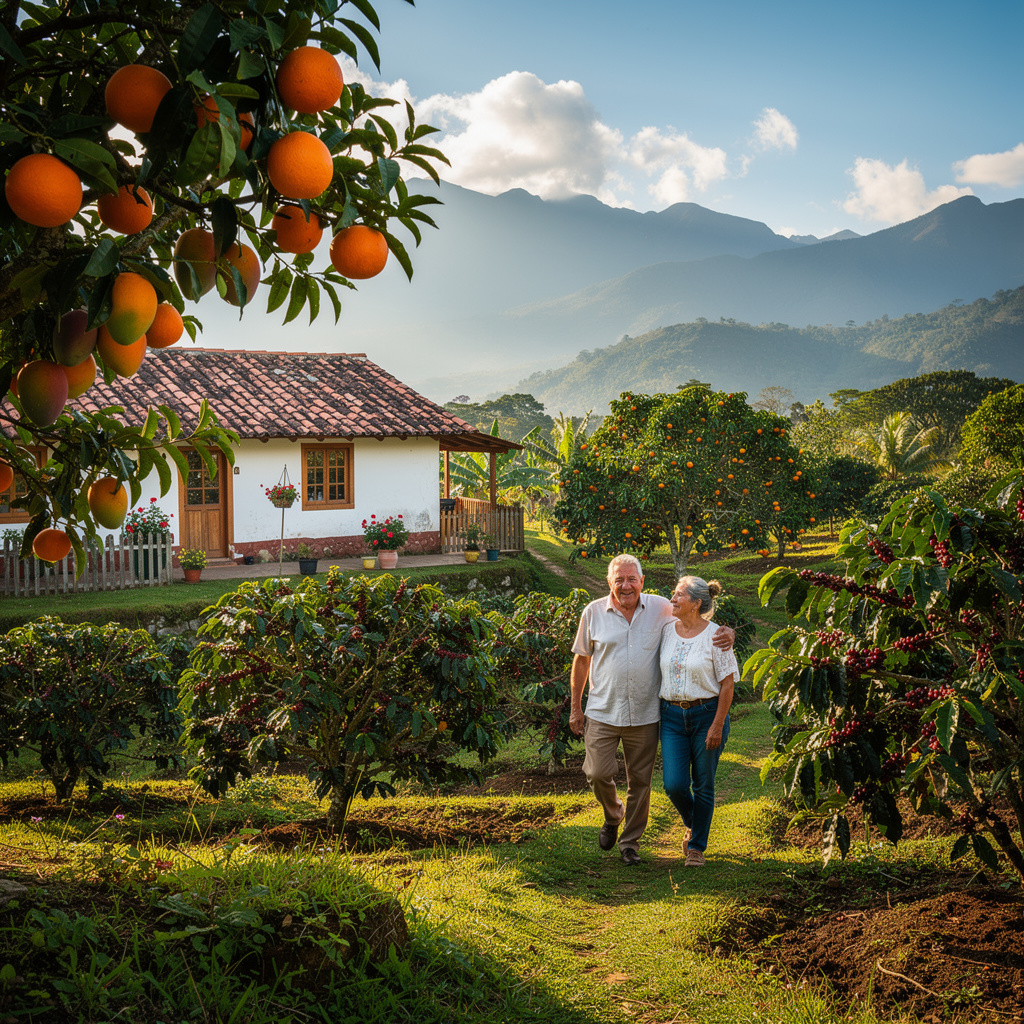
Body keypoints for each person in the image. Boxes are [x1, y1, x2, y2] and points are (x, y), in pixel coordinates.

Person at [570, 554, 734, 866]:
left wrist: (729, 631)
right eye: (619, 579)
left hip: (646, 715)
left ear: (642, 582)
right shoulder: (593, 613)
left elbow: (697, 621)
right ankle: (613, 813)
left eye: (632, 579)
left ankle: (630, 845)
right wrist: (576, 708)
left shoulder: (661, 608)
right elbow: (581, 660)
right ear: (609, 582)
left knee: (641, 784)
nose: (626, 585)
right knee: (597, 772)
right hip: (603, 711)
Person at [658, 576, 738, 867]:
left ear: (696, 603)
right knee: (674, 785)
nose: (673, 599)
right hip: (671, 717)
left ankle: (696, 847)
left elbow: (727, 685)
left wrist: (717, 724)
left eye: (679, 595)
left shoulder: (716, 636)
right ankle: (695, 822)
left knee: (703, 783)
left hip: (707, 714)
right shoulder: (666, 630)